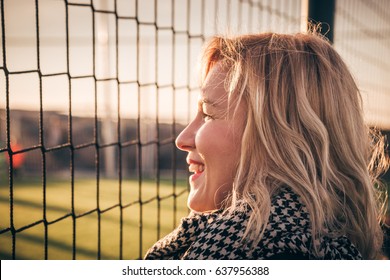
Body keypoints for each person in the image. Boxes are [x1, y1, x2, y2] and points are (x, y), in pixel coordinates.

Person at [144, 30, 389, 260]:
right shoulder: (325, 235)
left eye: (208, 114)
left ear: (278, 137)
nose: (182, 140)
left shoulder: (259, 249)